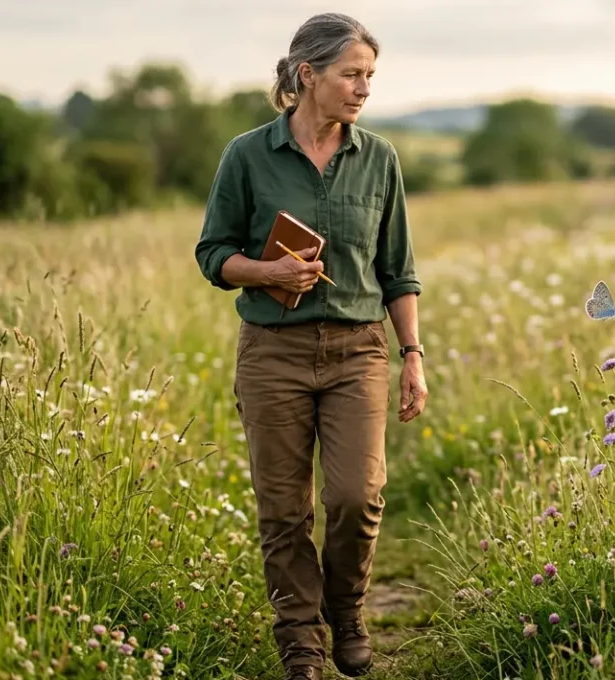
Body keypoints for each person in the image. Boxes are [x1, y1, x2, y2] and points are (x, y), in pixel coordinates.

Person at [193, 12, 427, 680]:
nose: (363, 88)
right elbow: (213, 252)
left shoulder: (379, 158)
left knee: (358, 495)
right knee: (284, 509)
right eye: (351, 74)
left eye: (369, 76)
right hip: (272, 352)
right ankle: (300, 638)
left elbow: (398, 271)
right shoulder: (246, 156)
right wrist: (267, 273)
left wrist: (413, 356)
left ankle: (346, 610)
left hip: (359, 351)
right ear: (308, 75)